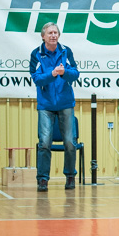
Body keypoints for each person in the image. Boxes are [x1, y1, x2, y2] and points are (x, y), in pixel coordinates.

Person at [30, 22, 80, 192]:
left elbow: (75, 74)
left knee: (70, 142)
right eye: (50, 33)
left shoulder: (66, 51)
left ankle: (70, 176)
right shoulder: (36, 54)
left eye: (55, 33)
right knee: (44, 143)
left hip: (65, 103)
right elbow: (37, 79)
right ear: (43, 36)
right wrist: (52, 74)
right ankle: (43, 179)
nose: (53, 35)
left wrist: (64, 73)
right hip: (46, 105)